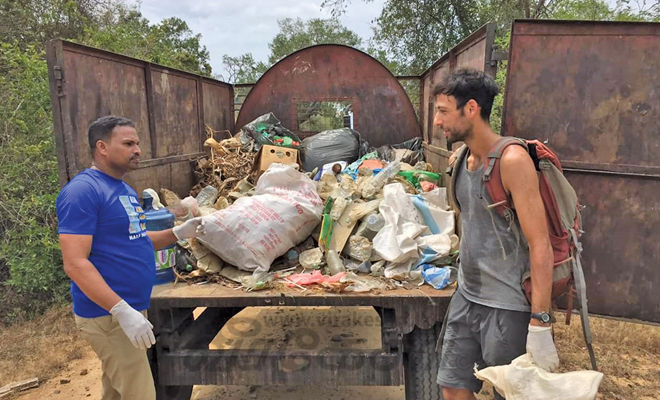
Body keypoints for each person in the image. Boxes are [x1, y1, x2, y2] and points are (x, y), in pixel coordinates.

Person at [56, 116, 206, 400]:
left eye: (137, 143)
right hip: (108, 315)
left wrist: (177, 232)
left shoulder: (123, 189)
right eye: (128, 144)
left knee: (116, 391)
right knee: (140, 394)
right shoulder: (83, 191)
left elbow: (137, 239)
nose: (137, 150)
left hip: (129, 310)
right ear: (102, 147)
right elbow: (75, 263)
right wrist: (120, 309)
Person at [433, 69, 559, 400]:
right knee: (452, 387)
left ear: (471, 109)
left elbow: (540, 244)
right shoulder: (462, 158)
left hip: (507, 307)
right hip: (467, 296)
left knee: (511, 393)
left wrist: (540, 322)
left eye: (443, 111)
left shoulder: (513, 161)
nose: (436, 121)